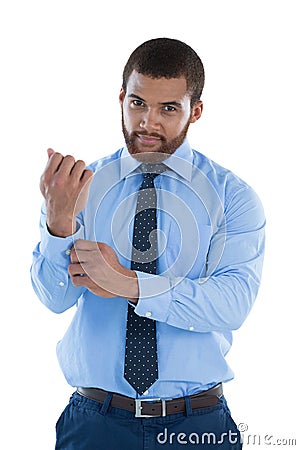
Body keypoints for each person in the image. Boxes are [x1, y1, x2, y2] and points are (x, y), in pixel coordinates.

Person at [31, 37, 265, 449]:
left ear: (195, 111)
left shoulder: (231, 196)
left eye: (168, 109)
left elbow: (231, 303)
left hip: (197, 425)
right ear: (121, 97)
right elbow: (54, 298)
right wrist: (59, 223)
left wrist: (128, 283)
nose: (147, 122)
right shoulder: (80, 188)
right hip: (94, 424)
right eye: (137, 103)